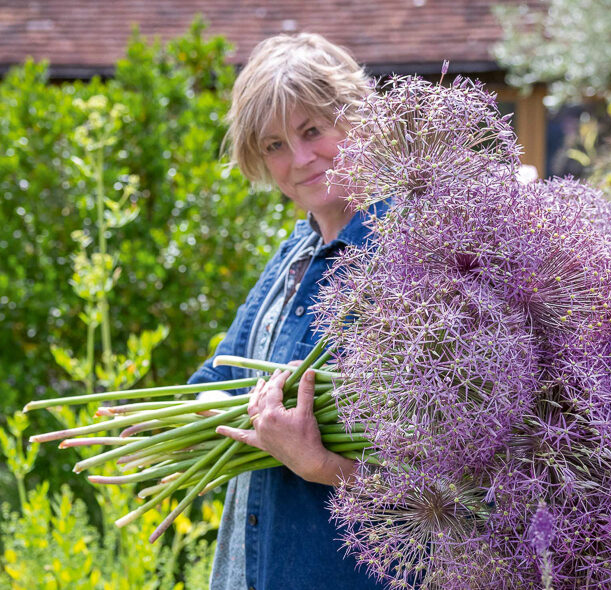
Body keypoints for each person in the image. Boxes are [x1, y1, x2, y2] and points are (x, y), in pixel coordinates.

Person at [187, 33, 387, 590]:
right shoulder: (291, 258)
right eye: (274, 145)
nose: (299, 159)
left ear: (359, 122)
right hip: (251, 570)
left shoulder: (413, 265)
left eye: (312, 130)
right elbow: (221, 373)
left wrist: (320, 465)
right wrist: (194, 416)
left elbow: (456, 480)